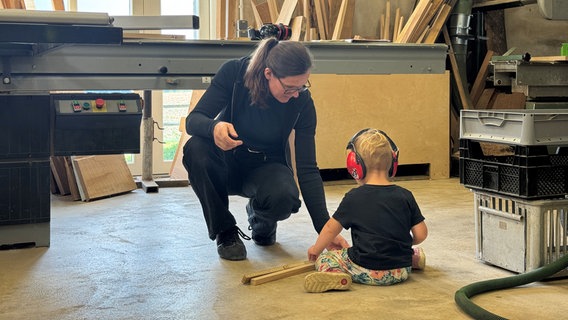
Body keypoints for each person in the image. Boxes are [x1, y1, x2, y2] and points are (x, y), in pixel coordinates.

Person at [182, 38, 349, 261]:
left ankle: (260, 217)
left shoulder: (302, 103)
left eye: (302, 86)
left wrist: (324, 229)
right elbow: (193, 121)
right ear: (268, 73)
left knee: (285, 198)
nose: (296, 93)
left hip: (266, 167)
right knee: (196, 149)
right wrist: (214, 128)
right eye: (290, 87)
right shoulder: (235, 74)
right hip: (225, 164)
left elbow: (308, 168)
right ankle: (226, 232)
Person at [304, 128, 428, 293]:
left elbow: (329, 229)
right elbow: (421, 234)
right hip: (402, 271)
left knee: (327, 258)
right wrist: (402, 242)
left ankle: (334, 275)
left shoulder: (354, 197)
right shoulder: (405, 195)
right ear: (393, 163)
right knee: (404, 249)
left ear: (355, 165)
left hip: (366, 269)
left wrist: (316, 249)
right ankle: (414, 258)